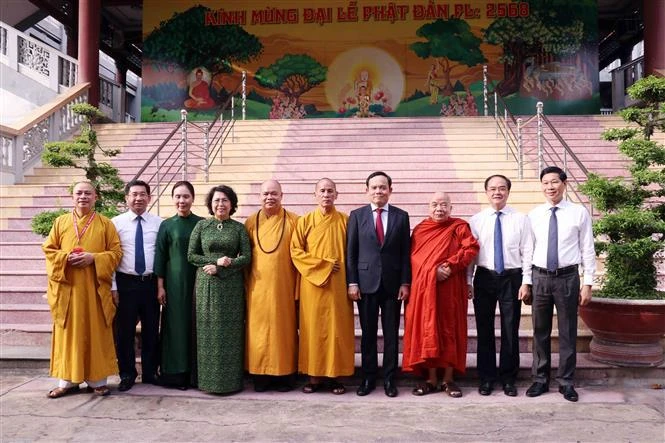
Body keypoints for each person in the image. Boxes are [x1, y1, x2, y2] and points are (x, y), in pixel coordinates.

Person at [43, 181, 123, 398]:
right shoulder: (60, 223)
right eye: (79, 193)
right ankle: (66, 381)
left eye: (88, 193)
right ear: (72, 197)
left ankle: (97, 381)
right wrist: (65, 258)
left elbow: (116, 253)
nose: (83, 197)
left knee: (95, 333)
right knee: (68, 334)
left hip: (95, 291)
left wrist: (93, 258)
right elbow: (49, 250)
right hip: (68, 291)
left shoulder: (106, 224)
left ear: (95, 197)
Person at [526, 166, 595, 402]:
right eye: (545, 183)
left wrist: (588, 283)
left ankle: (566, 381)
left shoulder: (578, 213)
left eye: (554, 182)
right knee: (540, 331)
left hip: (568, 277)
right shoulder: (534, 214)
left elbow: (587, 248)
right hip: (540, 277)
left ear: (564, 184)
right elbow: (528, 250)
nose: (550, 187)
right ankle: (539, 380)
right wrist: (527, 281)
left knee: (567, 331)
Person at [403, 191, 479, 398]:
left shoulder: (459, 227)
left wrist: (449, 266)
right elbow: (414, 258)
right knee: (428, 328)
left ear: (451, 208)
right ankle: (430, 379)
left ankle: (448, 379)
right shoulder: (420, 230)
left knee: (449, 329)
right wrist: (432, 272)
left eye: (444, 205)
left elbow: (471, 248)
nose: (439, 209)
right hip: (426, 290)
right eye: (435, 205)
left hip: (451, 288)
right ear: (428, 208)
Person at [346, 171, 411, 398]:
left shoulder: (401, 217)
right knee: (368, 334)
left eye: (383, 187)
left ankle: (390, 379)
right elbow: (351, 254)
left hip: (393, 285)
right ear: (367, 191)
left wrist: (405, 282)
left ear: (390, 190)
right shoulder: (356, 215)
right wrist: (352, 282)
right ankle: (368, 378)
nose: (378, 191)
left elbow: (405, 253)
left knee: (392, 334)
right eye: (374, 187)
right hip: (365, 284)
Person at [468, 175, 533, 397]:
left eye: (502, 188)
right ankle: (486, 378)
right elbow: (470, 255)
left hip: (512, 278)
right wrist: (469, 281)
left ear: (508, 191)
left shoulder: (521, 219)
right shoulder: (476, 220)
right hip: (484, 278)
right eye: (493, 189)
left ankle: (508, 378)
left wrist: (526, 281)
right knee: (484, 329)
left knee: (510, 328)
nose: (497, 192)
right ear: (486, 192)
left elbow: (527, 251)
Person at [290, 178, 354, 395]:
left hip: (338, 284)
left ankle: (335, 377)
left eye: (330, 191)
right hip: (312, 284)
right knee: (312, 330)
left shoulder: (346, 221)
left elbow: (353, 253)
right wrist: (324, 265)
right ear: (315, 195)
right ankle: (313, 376)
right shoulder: (305, 221)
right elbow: (296, 252)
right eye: (322, 191)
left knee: (337, 331)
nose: (326, 195)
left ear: (337, 195)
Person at [188, 185, 251, 394]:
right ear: (210, 204)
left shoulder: (239, 228)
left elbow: (247, 257)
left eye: (225, 200)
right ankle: (207, 382)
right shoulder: (201, 226)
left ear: (232, 204)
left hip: (231, 287)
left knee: (231, 331)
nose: (220, 204)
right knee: (207, 331)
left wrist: (226, 265)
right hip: (207, 285)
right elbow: (192, 256)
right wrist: (215, 261)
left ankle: (231, 382)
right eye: (216, 200)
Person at [244, 180, 299, 392]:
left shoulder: (294, 221)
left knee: (283, 331)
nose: (270, 197)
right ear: (259, 196)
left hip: (284, 287)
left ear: (282, 195)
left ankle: (284, 375)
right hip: (257, 288)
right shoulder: (250, 222)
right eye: (266, 193)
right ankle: (260, 375)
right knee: (258, 332)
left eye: (274, 193)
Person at [112, 179, 163, 392]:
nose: (138, 198)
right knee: (124, 332)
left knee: (152, 330)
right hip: (126, 283)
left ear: (149, 198)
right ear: (126, 198)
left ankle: (150, 373)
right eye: (134, 194)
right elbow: (112, 257)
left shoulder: (160, 223)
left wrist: (161, 286)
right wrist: (113, 286)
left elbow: (162, 256)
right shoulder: (115, 223)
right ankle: (127, 374)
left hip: (150, 283)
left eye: (143, 194)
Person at [154, 181, 204, 390]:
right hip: (173, 285)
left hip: (198, 283)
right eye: (177, 196)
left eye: (186, 196)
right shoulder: (166, 225)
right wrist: (160, 287)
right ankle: (175, 374)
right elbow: (160, 256)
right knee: (175, 327)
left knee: (196, 326)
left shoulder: (202, 223)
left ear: (193, 198)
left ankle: (197, 374)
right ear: (172, 199)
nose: (181, 201)